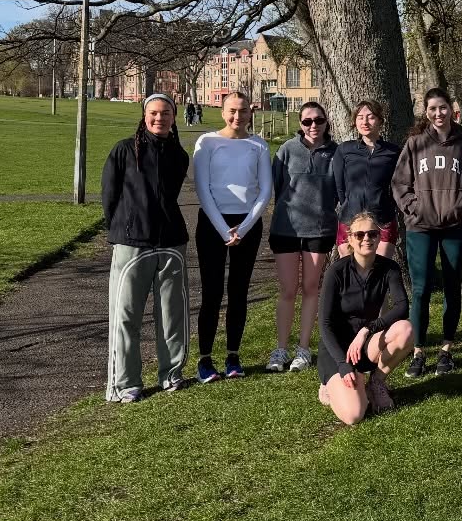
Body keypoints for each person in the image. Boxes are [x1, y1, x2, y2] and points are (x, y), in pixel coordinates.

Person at [101, 93, 190, 402]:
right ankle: (124, 383)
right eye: (153, 112)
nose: (159, 118)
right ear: (144, 115)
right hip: (132, 244)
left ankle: (171, 373)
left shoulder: (179, 155)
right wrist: (124, 227)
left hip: (170, 242)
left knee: (172, 314)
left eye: (165, 113)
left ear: (173, 116)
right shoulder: (124, 150)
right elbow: (110, 198)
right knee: (126, 315)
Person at [391, 87, 462, 377]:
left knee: (453, 284)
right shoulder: (415, 144)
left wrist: (461, 206)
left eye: (443, 108)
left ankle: (446, 348)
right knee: (420, 288)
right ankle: (418, 350)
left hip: (455, 227)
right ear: (426, 112)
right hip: (420, 226)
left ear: (451, 109)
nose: (438, 114)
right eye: (433, 109)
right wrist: (413, 208)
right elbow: (399, 183)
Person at [192, 89, 272, 382]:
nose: (237, 117)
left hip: (248, 226)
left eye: (243, 111)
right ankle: (205, 360)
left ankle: (233, 356)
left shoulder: (258, 145)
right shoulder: (207, 142)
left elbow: (265, 190)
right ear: (222, 112)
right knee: (212, 293)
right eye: (232, 111)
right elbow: (202, 188)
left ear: (251, 113)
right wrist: (224, 229)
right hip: (214, 224)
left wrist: (246, 226)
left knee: (238, 292)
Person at [317, 212, 416, 425]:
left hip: (365, 343)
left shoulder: (389, 268)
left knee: (406, 330)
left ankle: (376, 382)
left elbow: (402, 308)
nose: (366, 239)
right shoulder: (336, 272)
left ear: (379, 237)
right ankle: (330, 386)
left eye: (372, 234)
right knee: (354, 415)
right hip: (337, 351)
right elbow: (324, 324)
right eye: (360, 234)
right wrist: (343, 364)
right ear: (350, 239)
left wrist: (366, 330)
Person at [266, 101, 338, 373]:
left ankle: (304, 349)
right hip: (286, 229)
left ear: (326, 122)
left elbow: (340, 192)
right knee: (287, 290)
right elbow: (277, 187)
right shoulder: (286, 150)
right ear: (300, 124)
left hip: (319, 231)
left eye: (318, 120)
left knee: (310, 288)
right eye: (307, 121)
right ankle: (281, 348)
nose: (313, 126)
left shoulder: (336, 153)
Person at [333, 100, 400, 259]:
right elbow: (339, 186)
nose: (365, 122)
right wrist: (350, 203)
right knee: (351, 273)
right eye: (360, 117)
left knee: (379, 272)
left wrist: (387, 204)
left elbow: (400, 184)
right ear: (354, 121)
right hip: (350, 219)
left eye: (370, 117)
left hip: (382, 219)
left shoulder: (393, 152)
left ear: (380, 121)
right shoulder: (344, 150)